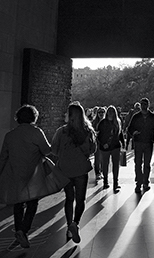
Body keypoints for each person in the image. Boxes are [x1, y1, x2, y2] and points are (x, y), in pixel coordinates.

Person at [0, 105, 51, 248]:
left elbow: (3, 157)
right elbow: (46, 150)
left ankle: (19, 230)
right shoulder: (36, 132)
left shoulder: (10, 135)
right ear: (34, 117)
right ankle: (23, 231)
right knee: (32, 203)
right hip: (32, 174)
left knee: (18, 203)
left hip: (14, 173)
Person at [52, 103, 96, 244]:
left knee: (69, 198)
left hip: (65, 169)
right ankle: (75, 223)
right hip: (81, 169)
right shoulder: (88, 131)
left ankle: (69, 226)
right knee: (81, 199)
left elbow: (54, 150)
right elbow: (93, 149)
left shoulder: (61, 131)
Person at [127, 97, 154, 193]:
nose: (144, 106)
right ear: (140, 105)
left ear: (148, 105)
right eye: (142, 104)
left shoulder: (152, 116)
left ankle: (145, 182)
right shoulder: (136, 116)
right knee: (138, 164)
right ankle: (138, 183)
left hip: (148, 142)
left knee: (147, 164)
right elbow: (129, 128)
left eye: (145, 104)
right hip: (138, 142)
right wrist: (133, 133)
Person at [97, 105, 125, 192]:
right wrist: (103, 143)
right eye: (109, 112)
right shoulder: (102, 123)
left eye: (112, 112)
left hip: (115, 146)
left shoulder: (117, 122)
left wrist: (123, 143)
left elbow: (120, 134)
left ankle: (115, 183)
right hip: (105, 147)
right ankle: (105, 181)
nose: (110, 114)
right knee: (105, 164)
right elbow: (98, 135)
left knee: (116, 165)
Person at [91, 106, 106, 183]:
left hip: (105, 142)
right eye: (99, 112)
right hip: (97, 142)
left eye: (103, 112)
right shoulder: (94, 122)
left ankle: (103, 172)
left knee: (104, 158)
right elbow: (92, 131)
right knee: (97, 158)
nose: (101, 114)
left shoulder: (107, 121)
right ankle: (98, 173)